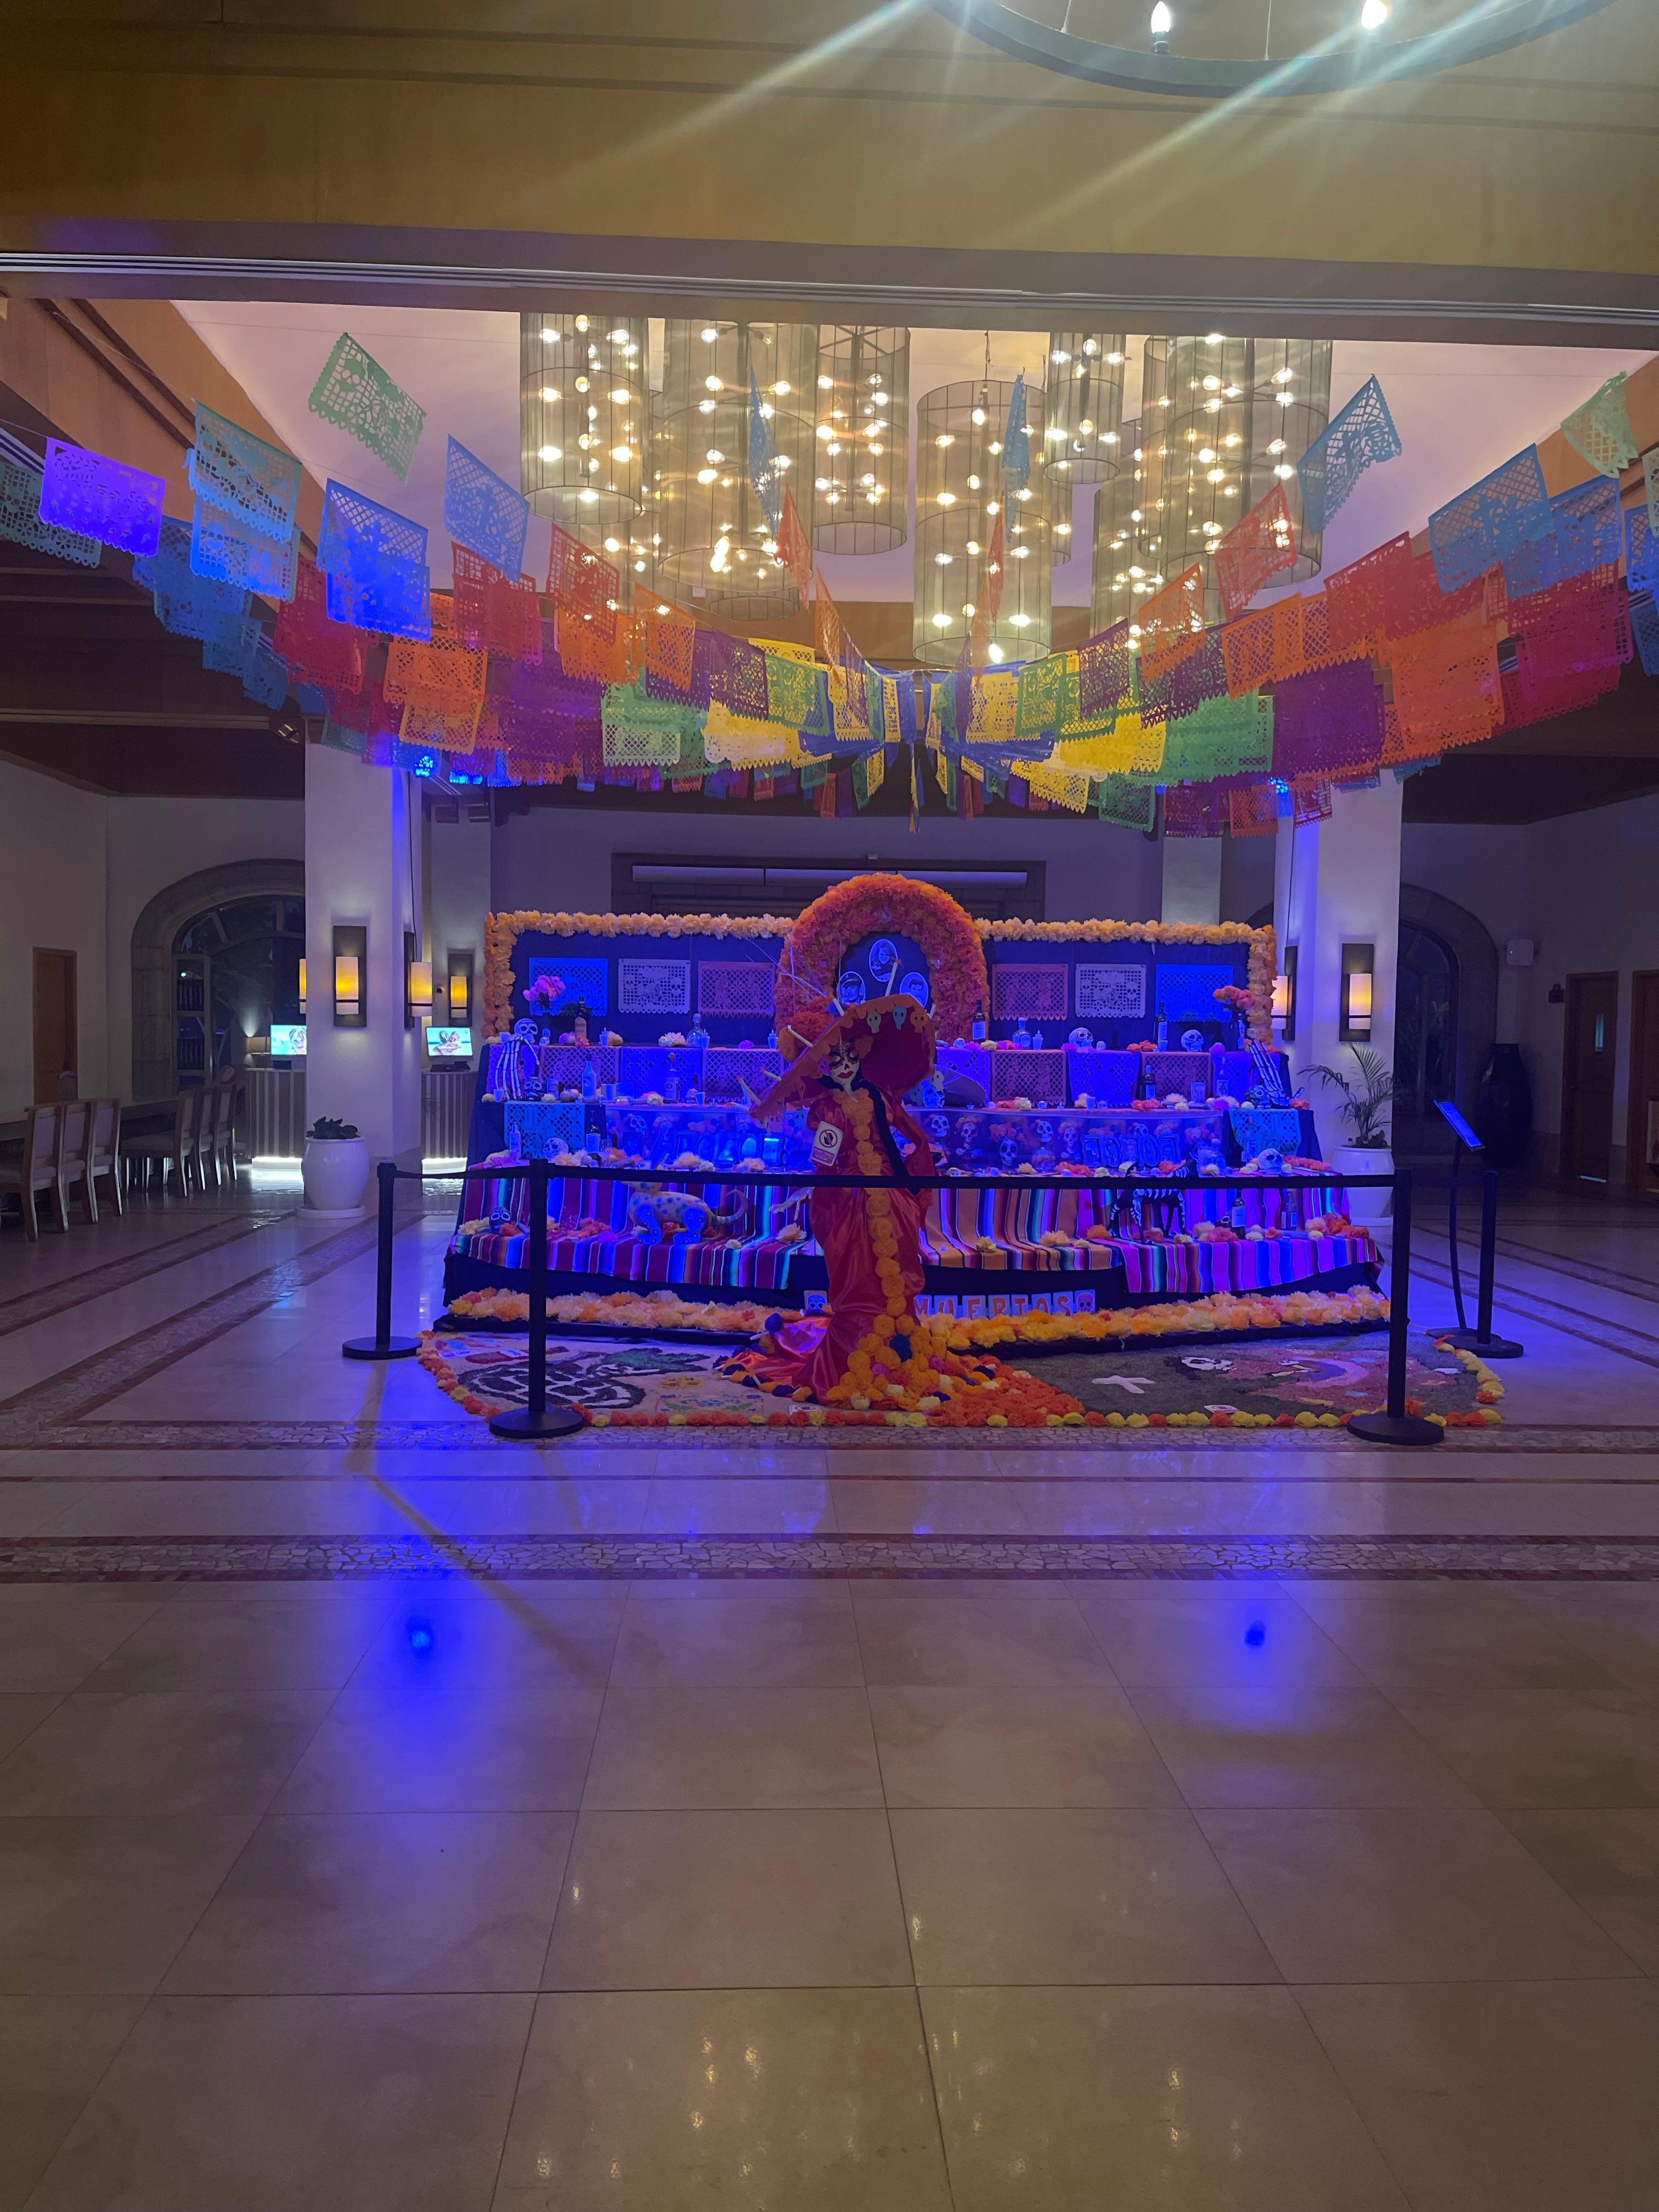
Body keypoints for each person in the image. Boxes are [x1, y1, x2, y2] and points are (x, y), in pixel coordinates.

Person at [725, 994, 937, 1403]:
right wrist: (822, 1192)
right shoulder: (826, 1109)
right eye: (835, 1060)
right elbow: (825, 1160)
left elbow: (914, 1136)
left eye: (850, 1057)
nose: (844, 1065)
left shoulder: (881, 1096)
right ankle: (858, 1346)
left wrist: (919, 1164)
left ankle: (899, 1340)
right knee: (859, 1268)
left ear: (861, 1055)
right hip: (852, 1195)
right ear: (826, 1066)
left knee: (900, 1257)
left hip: (891, 1189)